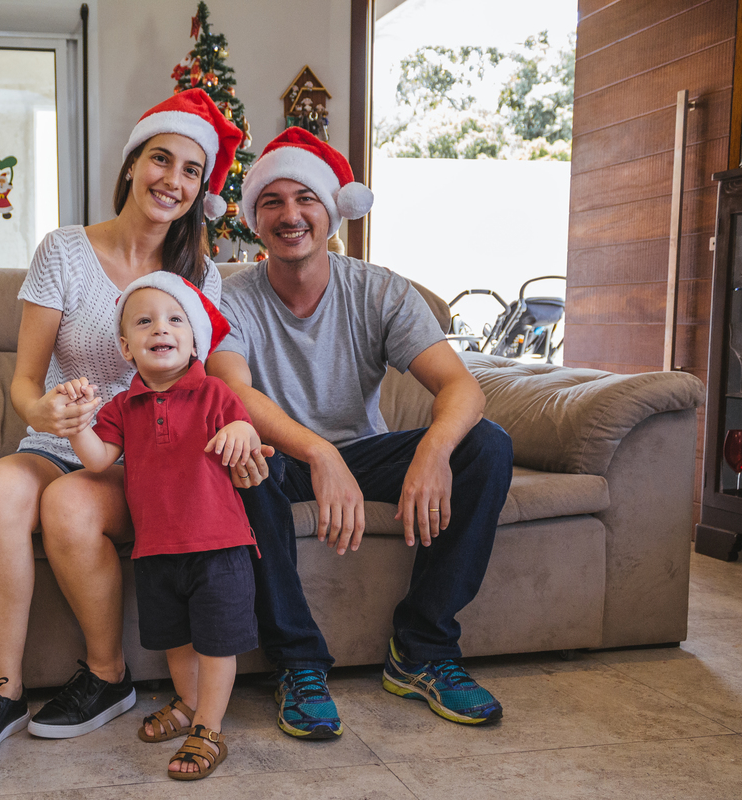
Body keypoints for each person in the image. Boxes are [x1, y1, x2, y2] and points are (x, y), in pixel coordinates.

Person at [0, 89, 253, 765]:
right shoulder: (63, 250)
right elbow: (26, 380)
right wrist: (41, 411)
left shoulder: (198, 275)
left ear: (201, 190)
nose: (172, 180)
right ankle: (2, 692)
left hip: (149, 455)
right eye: (161, 159)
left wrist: (248, 428)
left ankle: (108, 676)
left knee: (70, 504)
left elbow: (210, 381)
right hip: (61, 439)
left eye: (191, 171)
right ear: (132, 163)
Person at [206, 127, 514, 735]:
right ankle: (297, 664)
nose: (290, 215)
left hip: (366, 452)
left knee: (487, 444)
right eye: (272, 202)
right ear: (254, 220)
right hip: (281, 457)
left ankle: (422, 651)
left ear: (333, 211)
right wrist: (320, 454)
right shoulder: (227, 298)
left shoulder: (380, 291)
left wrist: (434, 450)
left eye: (306, 199)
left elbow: (462, 387)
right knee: (240, 462)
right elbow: (233, 394)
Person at [64, 272, 262, 780]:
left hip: (218, 547)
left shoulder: (215, 392)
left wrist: (241, 430)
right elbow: (97, 460)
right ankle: (188, 704)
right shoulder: (121, 406)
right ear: (126, 348)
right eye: (144, 322)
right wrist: (78, 423)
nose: (160, 328)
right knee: (177, 641)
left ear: (194, 342)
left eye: (175, 320)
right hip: (155, 549)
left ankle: (210, 728)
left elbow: (243, 427)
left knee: (215, 644)